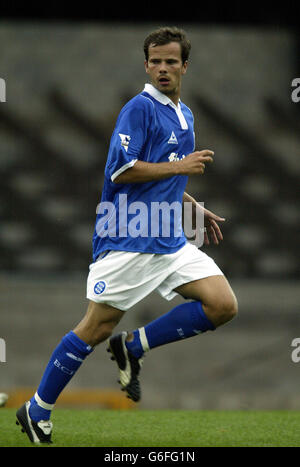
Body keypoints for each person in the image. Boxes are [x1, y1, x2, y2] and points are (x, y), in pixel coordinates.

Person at [16, 26, 238, 444]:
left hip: (169, 238)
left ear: (185, 66)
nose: (163, 68)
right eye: (155, 61)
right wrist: (180, 168)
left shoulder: (184, 114)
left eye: (171, 61)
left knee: (222, 305)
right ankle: (37, 409)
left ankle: (133, 346)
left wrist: (193, 205)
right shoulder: (137, 109)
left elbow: (168, 167)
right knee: (94, 328)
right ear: (146, 65)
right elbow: (124, 169)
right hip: (129, 236)